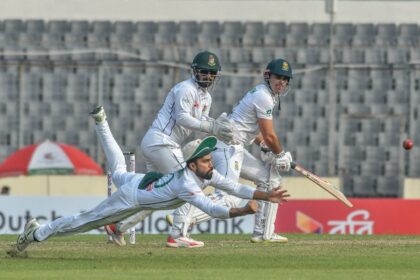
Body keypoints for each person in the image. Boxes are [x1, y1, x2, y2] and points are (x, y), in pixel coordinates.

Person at [15, 106, 290, 252]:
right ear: (193, 164)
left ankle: (101, 122)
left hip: (139, 182)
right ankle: (37, 233)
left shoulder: (201, 172)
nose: (212, 163)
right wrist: (243, 210)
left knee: (119, 167)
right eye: (206, 160)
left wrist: (266, 195)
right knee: (82, 222)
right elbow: (214, 209)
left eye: (210, 159)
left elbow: (232, 185)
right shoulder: (187, 185)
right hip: (130, 199)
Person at [111, 50, 235, 246]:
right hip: (161, 141)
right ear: (195, 71)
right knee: (189, 183)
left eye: (212, 73)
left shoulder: (206, 98)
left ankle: (118, 226)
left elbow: (200, 122)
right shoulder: (185, 89)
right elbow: (182, 118)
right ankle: (177, 235)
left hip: (162, 144)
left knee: (155, 196)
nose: (208, 76)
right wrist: (211, 126)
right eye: (204, 71)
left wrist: (215, 125)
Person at [167, 58, 294, 245]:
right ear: (268, 76)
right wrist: (281, 154)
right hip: (227, 147)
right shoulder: (263, 96)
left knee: (268, 178)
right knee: (228, 198)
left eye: (285, 79)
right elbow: (270, 135)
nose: (282, 82)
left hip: (236, 147)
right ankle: (185, 215)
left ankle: (263, 232)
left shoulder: (266, 95)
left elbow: (249, 129)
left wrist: (263, 145)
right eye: (278, 77)